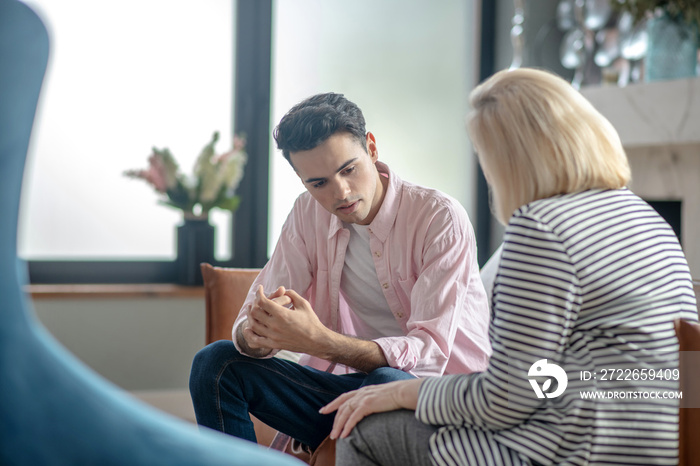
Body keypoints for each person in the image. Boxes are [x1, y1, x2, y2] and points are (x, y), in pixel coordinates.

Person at [322, 68, 699, 466]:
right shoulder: (643, 214)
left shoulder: (541, 227)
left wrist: (399, 393)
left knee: (366, 431)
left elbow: (505, 398)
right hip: (657, 447)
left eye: (486, 157)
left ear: (512, 160)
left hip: (581, 452)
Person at [189, 92, 492, 452]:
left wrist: (318, 341)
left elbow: (429, 354)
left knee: (386, 379)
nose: (341, 193)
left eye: (348, 169)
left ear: (372, 148)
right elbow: (250, 322)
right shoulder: (306, 214)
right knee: (216, 363)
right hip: (350, 393)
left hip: (440, 399)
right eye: (318, 183)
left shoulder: (439, 218)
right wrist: (257, 335)